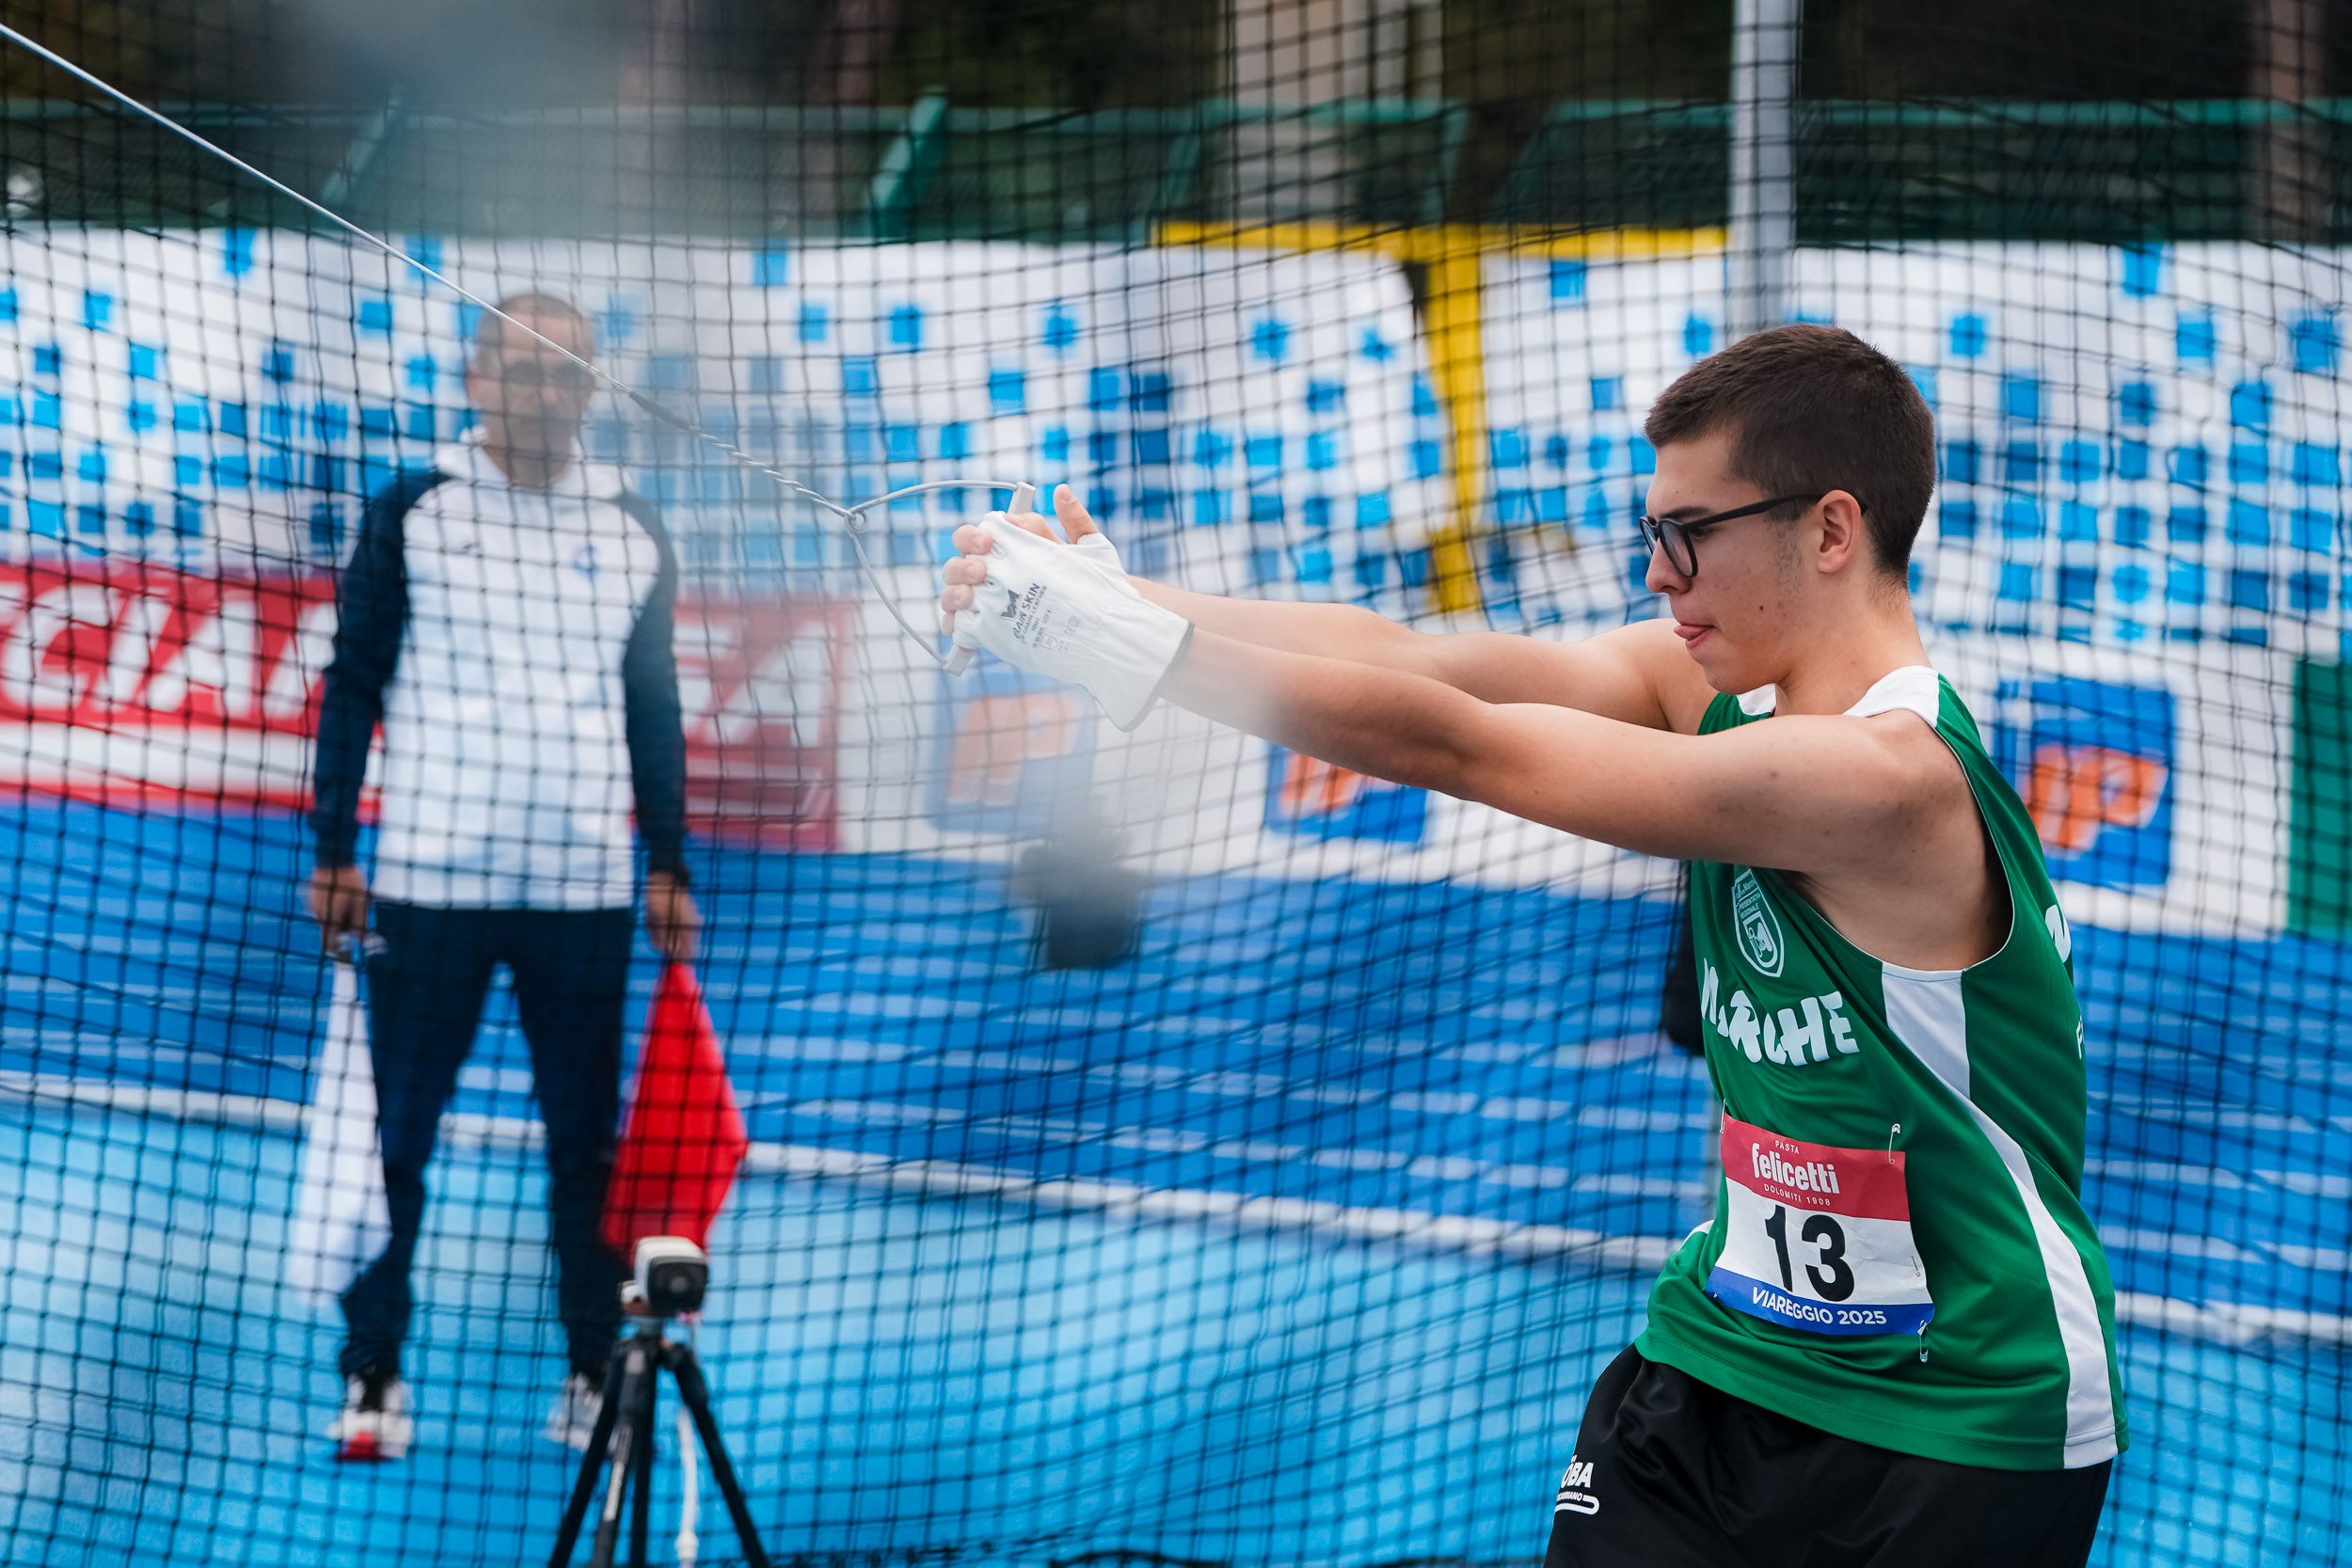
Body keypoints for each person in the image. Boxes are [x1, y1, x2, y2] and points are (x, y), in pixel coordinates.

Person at [937, 325, 2123, 1566]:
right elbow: (1416, 658)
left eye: (1689, 533)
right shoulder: (1709, 692)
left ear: (1830, 530)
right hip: (1731, 1352)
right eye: (1651, 532)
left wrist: (1138, 654)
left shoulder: (1888, 776)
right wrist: (1123, 597)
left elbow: (1463, 746)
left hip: (1960, 1412)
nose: (1657, 573)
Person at [308, 292, 699, 1463]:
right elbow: (353, 680)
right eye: (520, 369)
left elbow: (653, 708)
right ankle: (373, 1375)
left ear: (591, 391)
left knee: (586, 1150)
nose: (542, 392)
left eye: (565, 373)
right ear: (475, 380)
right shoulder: (414, 509)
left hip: (583, 892)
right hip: (427, 881)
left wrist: (667, 862)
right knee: (396, 1142)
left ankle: (590, 1374)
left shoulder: (632, 524)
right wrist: (334, 848)